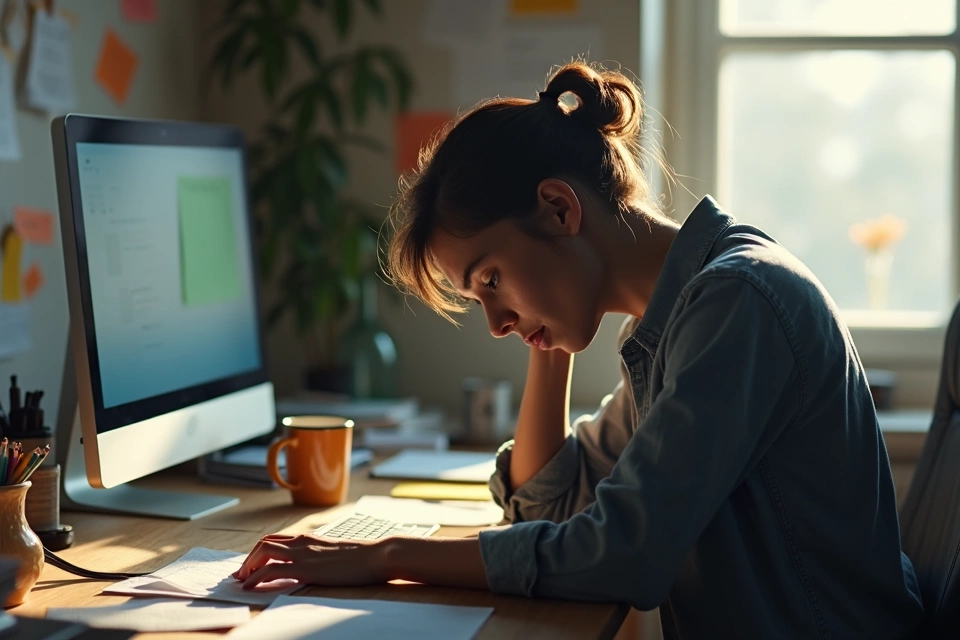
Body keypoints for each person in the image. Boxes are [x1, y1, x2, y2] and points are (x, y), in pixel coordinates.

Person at [234, 61, 924, 638]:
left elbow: (625, 553)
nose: (496, 322)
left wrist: (386, 556)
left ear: (560, 209)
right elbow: (547, 506)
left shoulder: (735, 306)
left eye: (492, 282)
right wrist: (547, 339)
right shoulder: (672, 324)